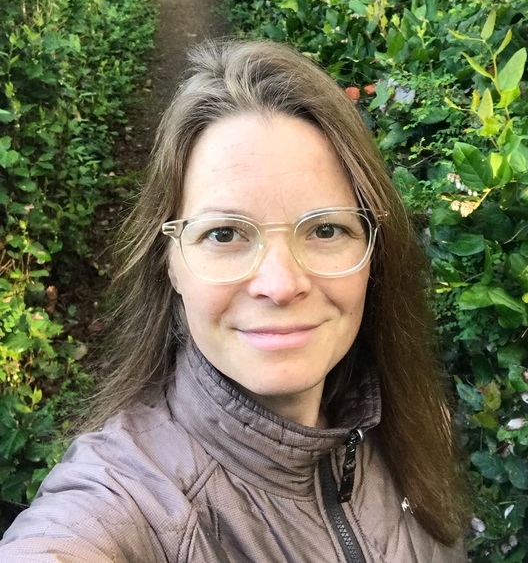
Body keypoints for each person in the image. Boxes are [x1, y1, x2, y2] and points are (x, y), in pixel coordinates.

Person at [0, 39, 469, 561]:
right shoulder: (125, 498)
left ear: (373, 252)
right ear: (170, 263)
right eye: (224, 234)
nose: (281, 284)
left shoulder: (417, 424)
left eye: (325, 229)